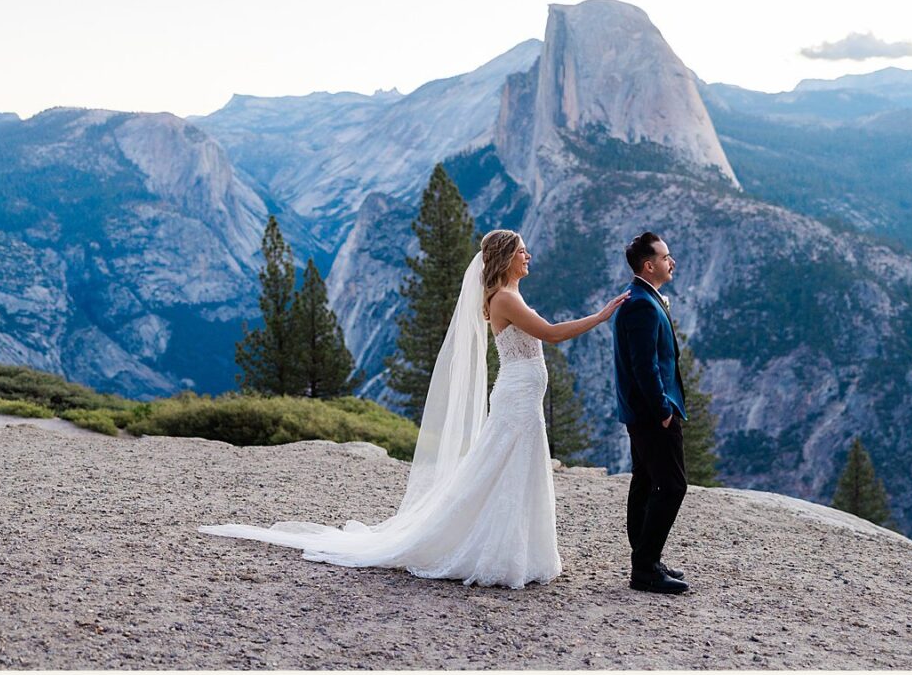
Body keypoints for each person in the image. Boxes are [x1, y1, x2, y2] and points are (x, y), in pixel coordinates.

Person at [200, 230, 626, 587]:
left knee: (512, 467)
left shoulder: (509, 292)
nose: (528, 256)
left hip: (522, 392)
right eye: (521, 251)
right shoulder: (505, 298)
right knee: (504, 466)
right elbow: (550, 334)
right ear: (504, 257)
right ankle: (494, 551)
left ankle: (518, 550)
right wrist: (601, 315)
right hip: (517, 394)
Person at [611, 231, 690, 595]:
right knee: (672, 485)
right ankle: (644, 568)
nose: (671, 261)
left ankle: (647, 559)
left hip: (641, 412)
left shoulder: (642, 298)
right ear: (649, 264)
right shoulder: (641, 304)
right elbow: (644, 366)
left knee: (645, 482)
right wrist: (662, 409)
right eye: (665, 257)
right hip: (651, 413)